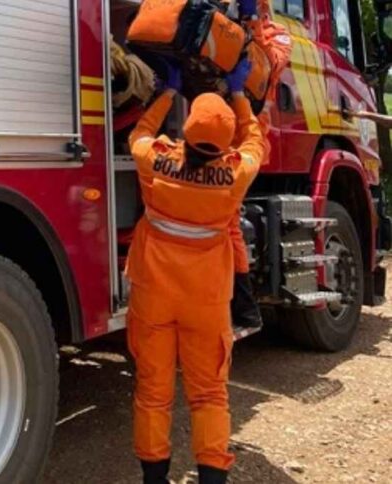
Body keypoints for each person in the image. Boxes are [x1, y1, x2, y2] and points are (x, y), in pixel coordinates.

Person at [126, 58, 265, 484]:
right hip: (206, 302)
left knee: (153, 392)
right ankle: (211, 476)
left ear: (185, 131)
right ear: (224, 143)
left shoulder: (155, 161)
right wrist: (240, 96)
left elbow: (139, 133)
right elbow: (256, 143)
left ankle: (154, 477)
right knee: (208, 393)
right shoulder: (235, 174)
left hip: (153, 296)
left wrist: (167, 92)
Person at [229, 0, 293, 330]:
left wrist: (249, 25)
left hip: (247, 139)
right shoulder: (228, 24)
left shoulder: (280, 36)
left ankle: (242, 306)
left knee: (226, 223)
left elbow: (267, 64)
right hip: (216, 132)